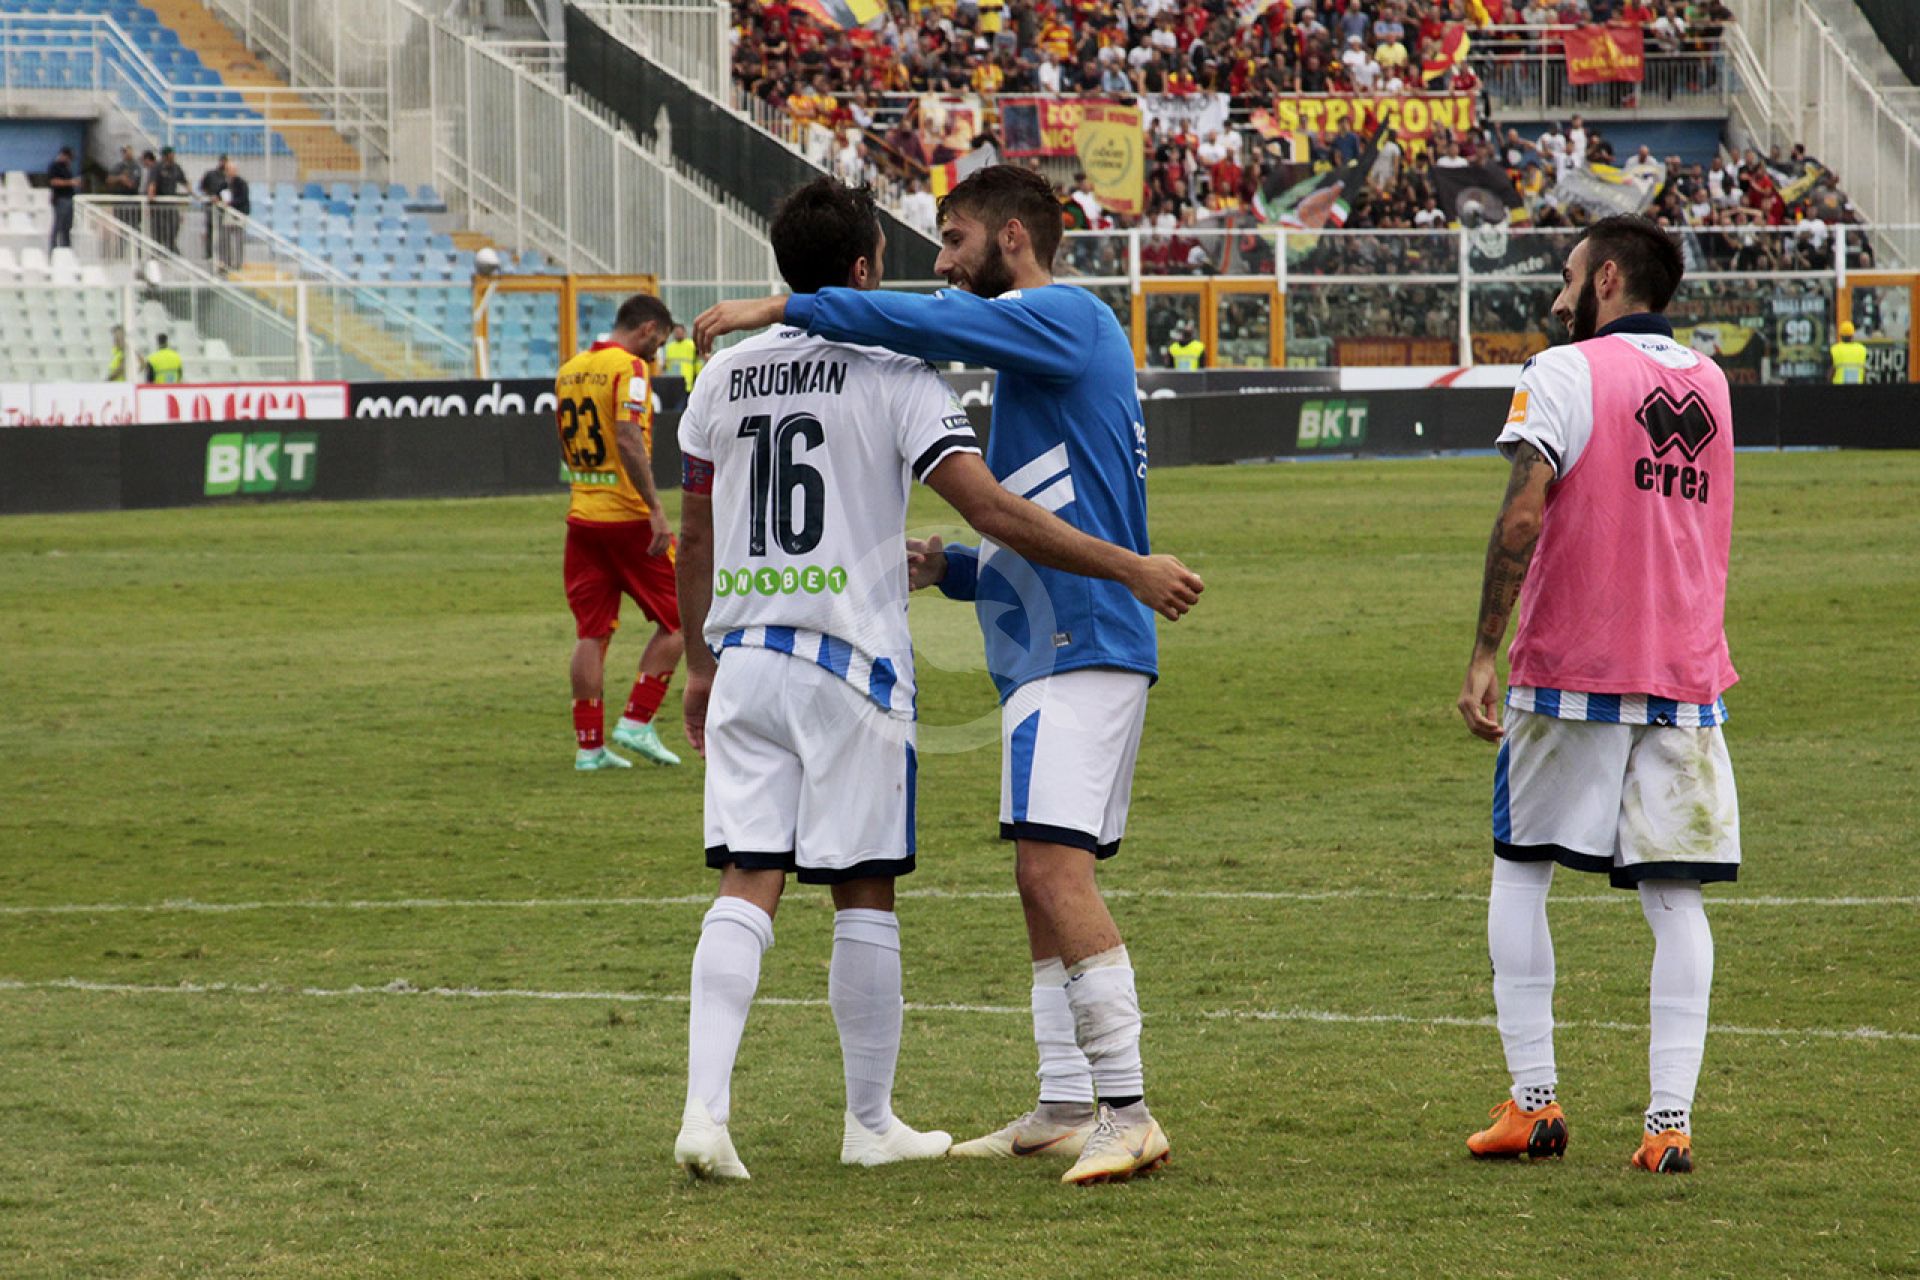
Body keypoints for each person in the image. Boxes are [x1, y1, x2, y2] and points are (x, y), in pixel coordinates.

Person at [670, 177, 1200, 1183]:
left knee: (1043, 872)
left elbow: (694, 530)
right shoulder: (948, 372)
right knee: (990, 878)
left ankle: (1126, 1109)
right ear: (863, 262)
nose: (942, 263)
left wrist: (781, 307)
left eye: (954, 240)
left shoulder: (1065, 317)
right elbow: (1010, 514)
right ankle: (1051, 1103)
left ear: (1014, 237)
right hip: (940, 657)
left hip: (1057, 641)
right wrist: (954, 568)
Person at [1457, 214, 1739, 1176]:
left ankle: (1534, 1105)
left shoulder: (1562, 371)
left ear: (1608, 278)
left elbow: (1521, 517)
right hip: (1685, 672)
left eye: (1569, 276)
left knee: (1519, 873)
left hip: (1571, 668)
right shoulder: (1712, 383)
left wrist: (1483, 651)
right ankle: (1669, 1125)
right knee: (1675, 897)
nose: (1557, 295)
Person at [552, 293, 685, 771]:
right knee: (684, 618)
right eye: (660, 342)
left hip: (582, 517)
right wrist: (655, 509)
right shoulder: (629, 369)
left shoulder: (569, 370)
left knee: (591, 633)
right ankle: (637, 721)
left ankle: (589, 749)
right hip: (628, 518)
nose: (658, 353)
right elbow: (628, 437)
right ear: (647, 328)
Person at [147, 147, 188, 255]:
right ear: (166, 155)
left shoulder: (176, 167)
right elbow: (152, 184)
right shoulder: (157, 167)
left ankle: (170, 246)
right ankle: (159, 252)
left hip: (171, 204)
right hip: (158, 206)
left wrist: (191, 194)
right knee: (159, 230)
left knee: (174, 225)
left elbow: (184, 181)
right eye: (171, 154)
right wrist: (150, 198)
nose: (173, 155)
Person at [218, 159, 250, 272]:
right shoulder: (224, 184)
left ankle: (238, 264)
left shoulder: (242, 183)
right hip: (228, 215)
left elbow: (243, 198)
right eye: (228, 170)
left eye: (231, 169)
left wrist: (231, 203)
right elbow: (218, 194)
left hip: (239, 214)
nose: (229, 172)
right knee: (225, 239)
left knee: (238, 241)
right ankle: (226, 263)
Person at [659, 323, 701, 410]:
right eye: (676, 332)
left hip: (687, 384)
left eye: (679, 332)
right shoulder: (669, 347)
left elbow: (697, 363)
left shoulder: (691, 346)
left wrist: (698, 380)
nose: (677, 334)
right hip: (672, 384)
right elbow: (665, 366)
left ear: (684, 333)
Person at [47, 147, 78, 251]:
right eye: (69, 158)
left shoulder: (66, 167)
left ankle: (66, 248)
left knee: (67, 226)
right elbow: (53, 182)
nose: (70, 161)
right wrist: (70, 182)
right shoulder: (54, 166)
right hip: (61, 199)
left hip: (68, 198)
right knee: (58, 225)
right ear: (63, 156)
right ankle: (54, 249)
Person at [200, 153, 229, 259]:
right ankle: (209, 253)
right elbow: (202, 187)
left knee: (223, 231)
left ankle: (221, 254)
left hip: (223, 207)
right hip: (211, 205)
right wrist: (210, 195)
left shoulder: (228, 176)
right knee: (210, 228)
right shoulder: (210, 174)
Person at [1829, 319, 1867, 385]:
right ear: (1852, 335)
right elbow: (1864, 373)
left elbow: (1831, 371)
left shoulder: (1835, 349)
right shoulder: (1862, 349)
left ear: (1840, 335)